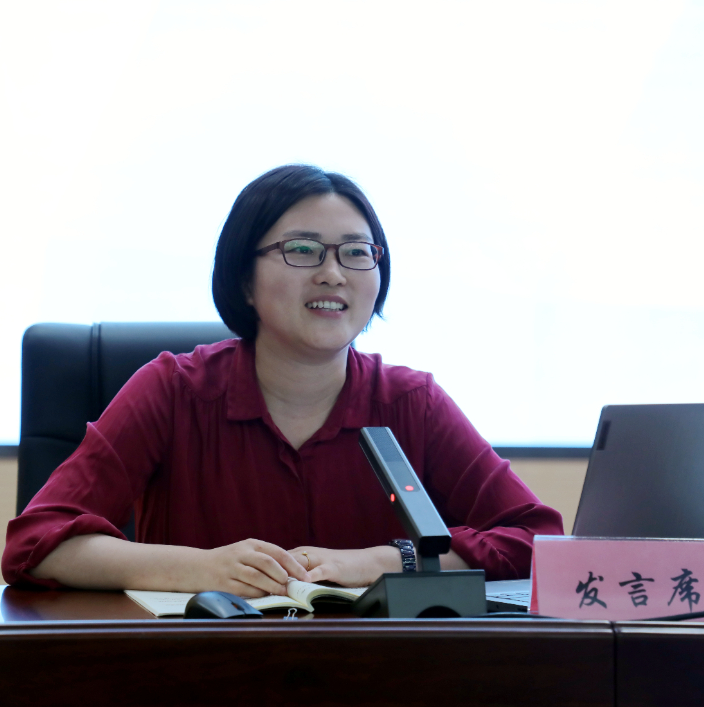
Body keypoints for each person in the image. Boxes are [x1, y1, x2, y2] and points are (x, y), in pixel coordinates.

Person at [2, 165, 563, 596]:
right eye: (302, 250)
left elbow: (537, 540)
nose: (333, 273)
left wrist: (387, 561)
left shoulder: (412, 402)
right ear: (244, 280)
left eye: (356, 252)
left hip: (377, 678)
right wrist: (204, 569)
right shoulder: (173, 391)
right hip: (198, 675)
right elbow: (35, 544)